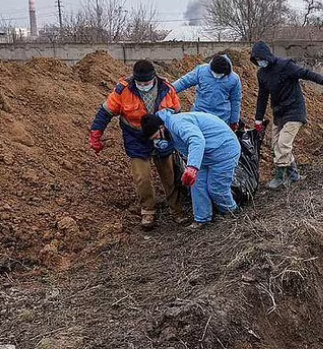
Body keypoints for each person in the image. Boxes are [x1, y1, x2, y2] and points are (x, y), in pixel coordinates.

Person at [89, 60, 182, 230]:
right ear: (135, 79)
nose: (143, 86)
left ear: (153, 78)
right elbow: (105, 112)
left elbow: (177, 114)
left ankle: (177, 209)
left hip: (161, 134)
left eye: (146, 83)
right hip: (136, 137)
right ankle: (148, 210)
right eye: (140, 83)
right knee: (142, 177)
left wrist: (175, 136)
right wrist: (96, 133)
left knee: (169, 174)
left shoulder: (166, 88)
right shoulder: (123, 90)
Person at [250, 41, 323, 189]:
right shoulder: (262, 74)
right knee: (276, 146)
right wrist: (258, 120)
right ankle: (294, 176)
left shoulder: (285, 66)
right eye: (256, 59)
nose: (259, 61)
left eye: (261, 58)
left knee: (283, 144)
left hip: (294, 110)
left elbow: (305, 73)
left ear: (267, 56)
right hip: (279, 113)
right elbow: (262, 97)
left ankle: (280, 178)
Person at [141, 110, 241, 229]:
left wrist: (192, 167)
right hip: (205, 154)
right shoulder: (167, 130)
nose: (158, 141)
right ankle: (202, 219)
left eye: (158, 136)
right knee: (197, 185)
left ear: (161, 127)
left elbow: (196, 140)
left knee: (216, 187)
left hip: (224, 149)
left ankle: (232, 213)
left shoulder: (178, 123)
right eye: (154, 139)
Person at [172, 54, 243, 129]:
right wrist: (168, 89)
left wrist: (234, 121)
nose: (217, 76)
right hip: (200, 115)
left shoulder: (234, 79)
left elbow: (236, 100)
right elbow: (184, 82)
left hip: (221, 119)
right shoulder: (201, 71)